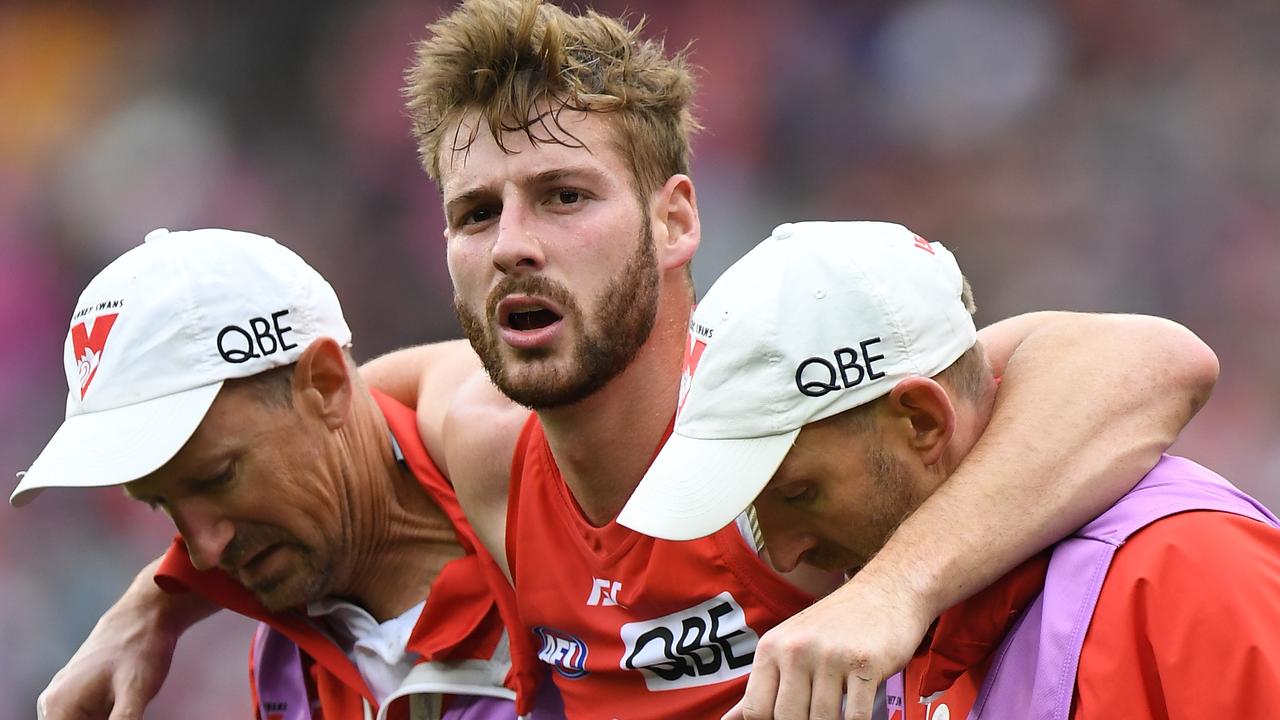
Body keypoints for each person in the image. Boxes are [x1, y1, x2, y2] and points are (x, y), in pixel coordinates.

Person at [35, 2, 1221, 719]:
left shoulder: (785, 422)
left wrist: (886, 593)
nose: (513, 247)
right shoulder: (483, 444)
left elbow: (1148, 359)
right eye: (475, 214)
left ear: (674, 221)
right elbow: (316, 415)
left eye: (562, 197)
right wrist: (159, 602)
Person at [620, 220, 1280, 719]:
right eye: (758, 517)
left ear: (923, 422)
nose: (788, 559)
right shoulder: (924, 626)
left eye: (800, 493)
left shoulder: (1183, 567)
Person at [13, 228, 560, 720]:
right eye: (162, 504)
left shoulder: (561, 500)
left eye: (219, 477)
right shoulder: (284, 663)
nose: (202, 552)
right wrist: (154, 602)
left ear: (325, 385)